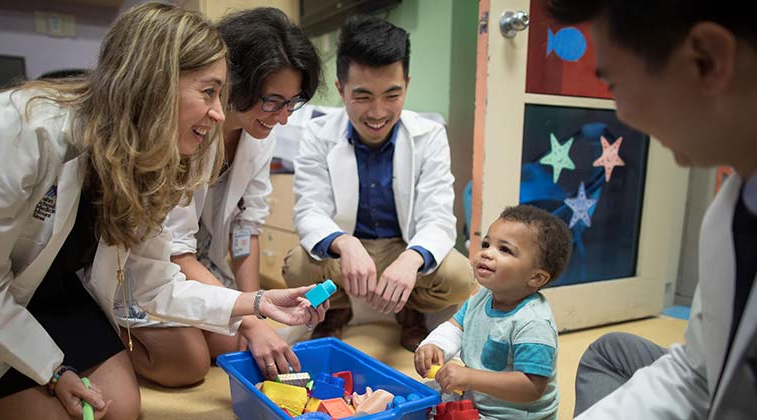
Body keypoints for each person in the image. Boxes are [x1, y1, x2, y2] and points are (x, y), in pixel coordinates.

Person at [0, 4, 325, 420]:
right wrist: (52, 370)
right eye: (209, 92)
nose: (219, 113)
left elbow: (155, 283)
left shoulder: (153, 155)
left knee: (120, 408)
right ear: (154, 82)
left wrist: (256, 302)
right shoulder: (19, 129)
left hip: (57, 289)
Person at [547, 1, 757, 418]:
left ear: (706, 60)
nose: (622, 113)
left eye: (616, 85)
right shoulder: (732, 210)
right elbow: (701, 372)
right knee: (611, 351)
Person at [122, 7, 323, 385]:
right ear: (236, 82)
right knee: (189, 361)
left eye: (292, 103)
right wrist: (251, 319)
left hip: (203, 266)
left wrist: (256, 311)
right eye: (272, 101)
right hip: (157, 266)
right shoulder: (187, 130)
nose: (283, 117)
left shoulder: (260, 136)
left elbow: (246, 229)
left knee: (239, 344)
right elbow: (175, 250)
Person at [282, 14, 475, 352]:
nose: (378, 111)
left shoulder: (429, 135)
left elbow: (438, 216)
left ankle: (411, 310)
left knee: (460, 277)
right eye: (363, 96)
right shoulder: (318, 133)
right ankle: (335, 310)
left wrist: (413, 258)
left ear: (407, 84)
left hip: (402, 246)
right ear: (341, 90)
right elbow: (310, 210)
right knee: (296, 265)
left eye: (391, 95)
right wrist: (344, 243)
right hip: (347, 250)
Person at [415, 205, 572, 420]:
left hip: (514, 415)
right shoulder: (482, 297)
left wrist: (470, 377)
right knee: (418, 396)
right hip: (474, 399)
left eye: (505, 250)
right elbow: (457, 326)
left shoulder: (533, 323)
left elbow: (532, 386)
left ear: (536, 278)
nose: (487, 253)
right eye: (487, 244)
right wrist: (435, 345)